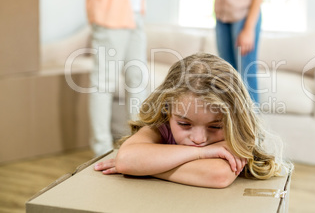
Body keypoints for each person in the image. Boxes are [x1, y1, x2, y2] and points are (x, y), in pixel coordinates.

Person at [94, 53, 288, 188]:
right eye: (184, 124)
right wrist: (204, 154)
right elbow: (128, 159)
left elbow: (218, 175)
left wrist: (144, 167)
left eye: (215, 126)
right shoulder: (162, 125)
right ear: (167, 109)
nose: (198, 139)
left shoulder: (232, 132)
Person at [79, 0, 148, 157]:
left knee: (137, 79)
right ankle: (102, 149)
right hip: (110, 14)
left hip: (135, 13)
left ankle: (139, 142)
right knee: (103, 83)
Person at [214, 0, 270, 104]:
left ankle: (253, 130)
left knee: (247, 87)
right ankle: (230, 129)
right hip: (222, 15)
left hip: (244, 17)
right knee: (227, 86)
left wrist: (249, 27)